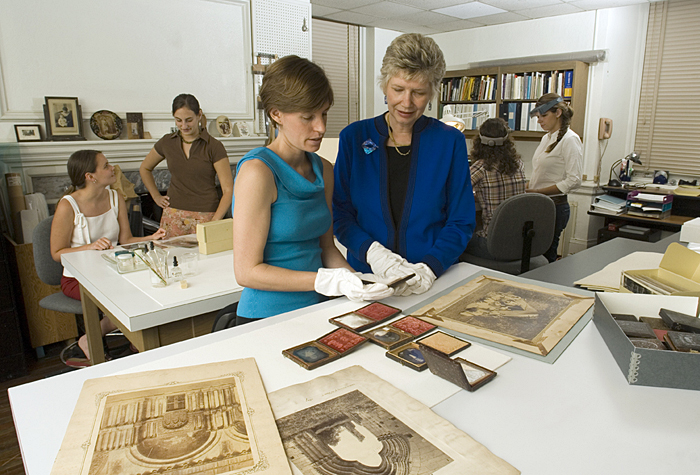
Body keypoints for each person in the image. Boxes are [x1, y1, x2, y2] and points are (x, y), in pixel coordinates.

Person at [231, 55, 392, 326]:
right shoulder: (258, 172)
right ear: (275, 113)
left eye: (324, 113)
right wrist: (324, 280)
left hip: (319, 308)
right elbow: (246, 272)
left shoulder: (323, 169)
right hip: (267, 317)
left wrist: (356, 282)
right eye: (308, 117)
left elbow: (326, 247)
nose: (321, 127)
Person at [333, 33, 475, 296]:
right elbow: (341, 214)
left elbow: (461, 220)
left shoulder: (449, 141)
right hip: (370, 278)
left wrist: (430, 267)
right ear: (384, 85)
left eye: (418, 92)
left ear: (432, 92)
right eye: (398, 89)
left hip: (434, 279)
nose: (407, 103)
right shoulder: (354, 138)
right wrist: (374, 254)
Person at [51, 150, 166, 363]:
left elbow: (126, 239)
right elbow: (57, 253)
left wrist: (152, 237)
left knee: (150, 289)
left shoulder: (115, 197)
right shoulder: (68, 205)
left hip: (113, 272)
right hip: (78, 279)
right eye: (105, 165)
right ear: (90, 176)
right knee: (124, 300)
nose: (112, 167)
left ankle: (138, 341)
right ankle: (89, 339)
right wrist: (89, 247)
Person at [139, 94, 234, 238]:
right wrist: (156, 196)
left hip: (206, 215)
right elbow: (145, 168)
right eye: (178, 120)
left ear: (199, 115)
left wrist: (215, 221)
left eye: (189, 120)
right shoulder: (167, 142)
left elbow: (228, 189)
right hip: (173, 214)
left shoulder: (214, 146)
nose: (184, 126)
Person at [526, 93, 582, 262]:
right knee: (531, 254)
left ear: (558, 113)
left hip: (554, 207)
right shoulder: (546, 138)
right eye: (538, 117)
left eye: (544, 116)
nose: (540, 120)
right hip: (538, 203)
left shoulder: (570, 140)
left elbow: (574, 180)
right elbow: (541, 173)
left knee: (546, 256)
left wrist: (538, 192)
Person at [463, 118, 526, 259]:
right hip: (518, 242)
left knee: (454, 239)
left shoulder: (481, 167)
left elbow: (454, 192)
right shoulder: (518, 164)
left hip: (491, 244)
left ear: (479, 141)